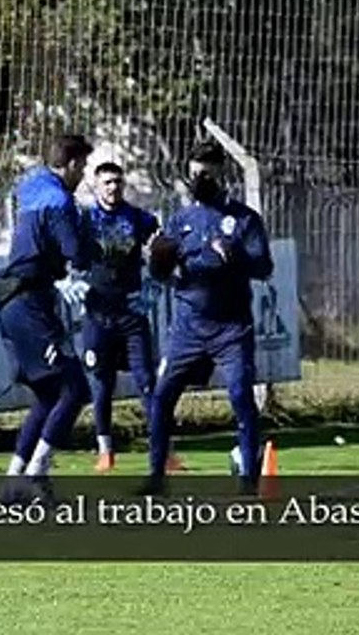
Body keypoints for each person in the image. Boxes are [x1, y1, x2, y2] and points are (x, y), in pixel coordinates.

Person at [141, 141, 274, 495]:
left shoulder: (244, 219)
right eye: (196, 173)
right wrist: (154, 259)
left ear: (222, 174)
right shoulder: (179, 221)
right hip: (187, 326)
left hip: (231, 327)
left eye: (208, 174)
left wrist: (235, 255)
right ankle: (156, 476)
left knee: (240, 394)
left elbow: (263, 266)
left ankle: (248, 480)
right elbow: (162, 272)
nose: (200, 179)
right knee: (162, 395)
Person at [0, 134, 96, 491]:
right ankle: (37, 474)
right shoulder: (60, 201)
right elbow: (76, 253)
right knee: (75, 388)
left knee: (49, 395)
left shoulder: (32, 187)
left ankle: (13, 482)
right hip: (31, 306)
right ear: (73, 164)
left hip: (14, 304)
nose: (83, 175)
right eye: (83, 167)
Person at [77, 161, 181, 472]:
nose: (113, 188)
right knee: (101, 384)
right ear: (96, 186)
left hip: (131, 314)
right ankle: (105, 449)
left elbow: (164, 245)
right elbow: (67, 250)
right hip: (97, 314)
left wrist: (158, 278)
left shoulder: (138, 218)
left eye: (117, 182)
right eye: (107, 182)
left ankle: (164, 451)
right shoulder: (85, 220)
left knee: (147, 381)